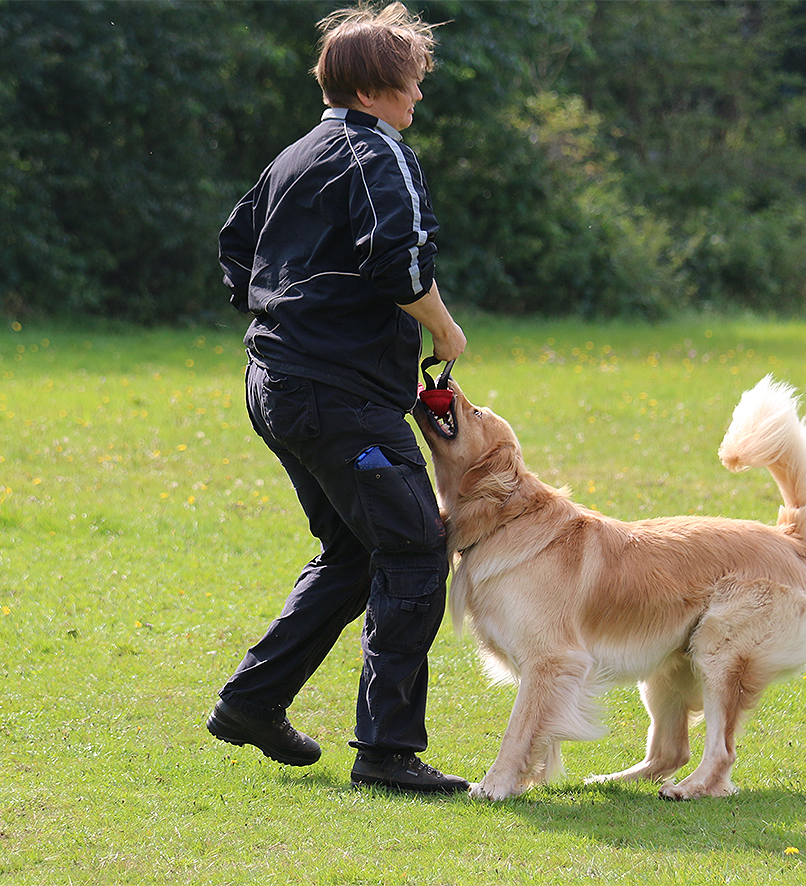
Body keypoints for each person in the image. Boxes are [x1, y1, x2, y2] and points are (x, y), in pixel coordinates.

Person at [208, 2, 468, 794]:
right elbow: (400, 261)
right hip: (337, 397)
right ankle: (386, 753)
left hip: (276, 383)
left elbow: (236, 248)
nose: (417, 94)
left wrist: (292, 318)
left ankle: (252, 703)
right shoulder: (377, 152)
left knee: (356, 554)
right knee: (416, 549)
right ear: (373, 87)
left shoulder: (295, 155)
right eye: (411, 80)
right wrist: (444, 329)